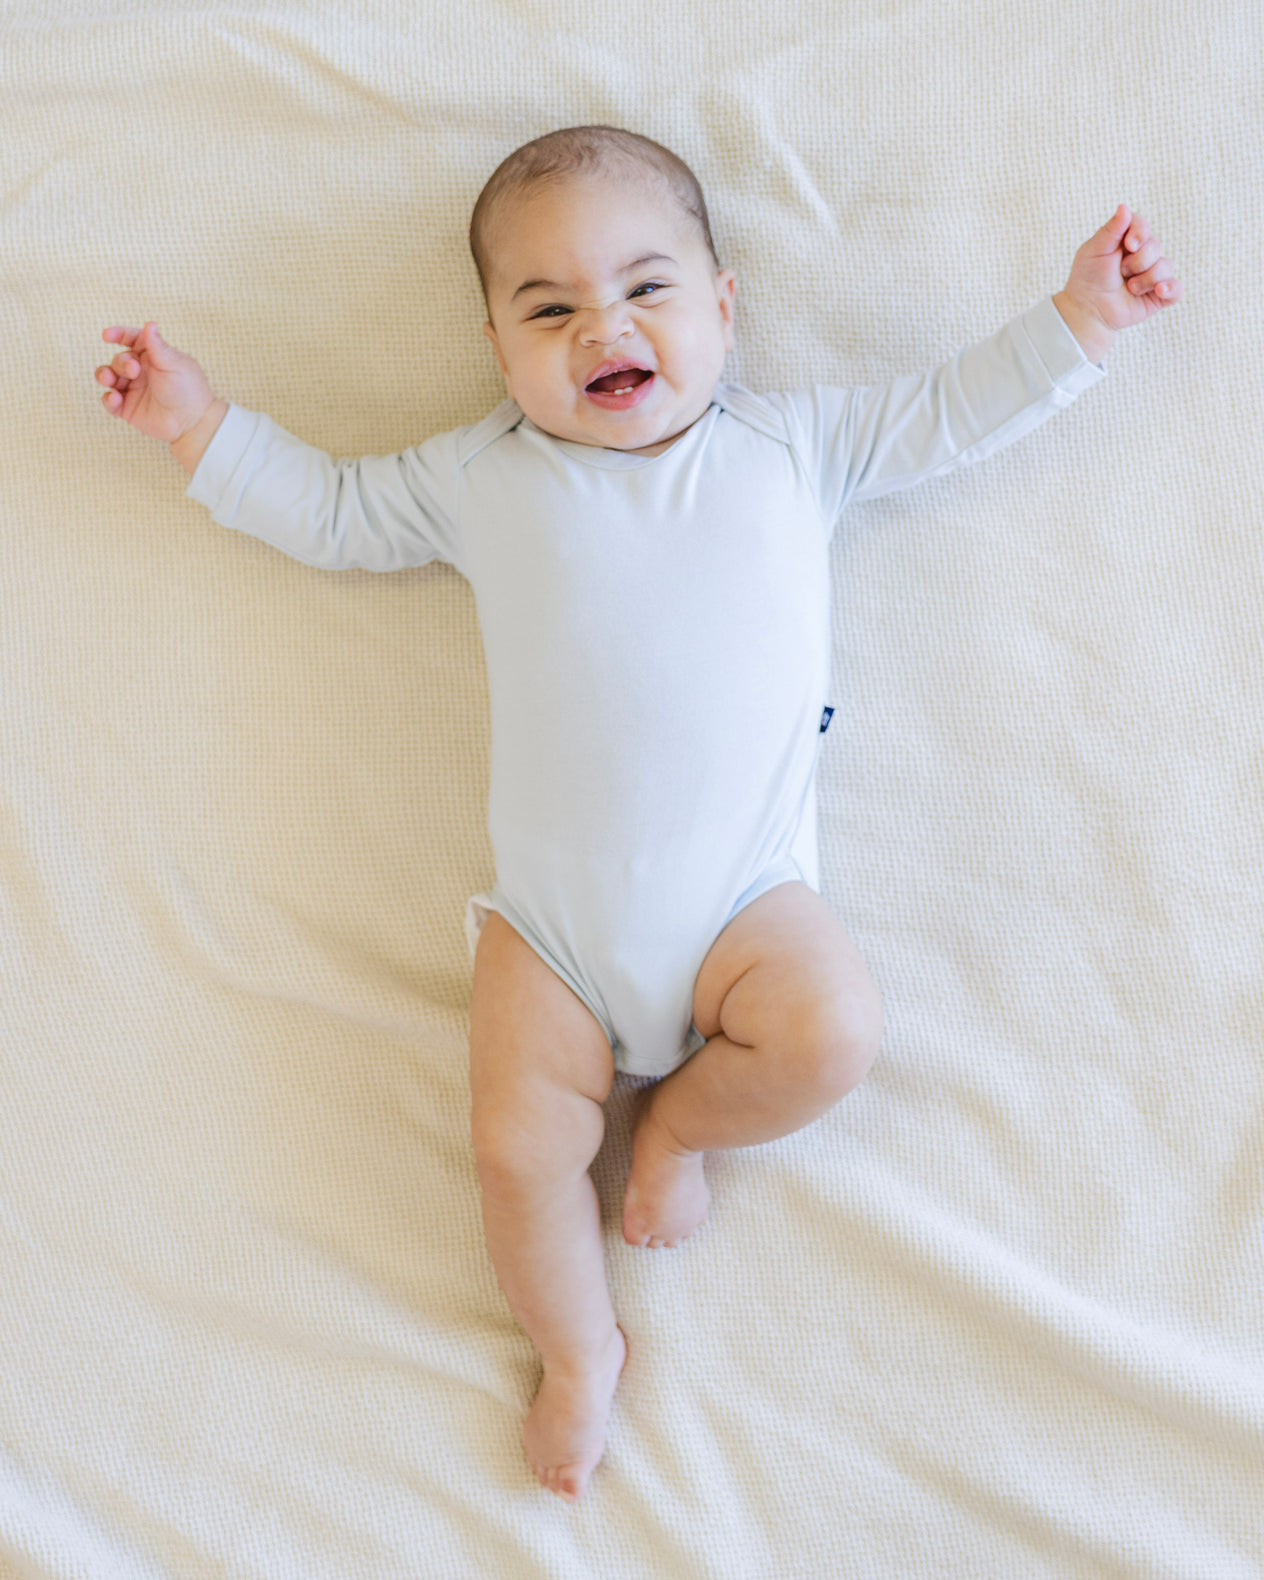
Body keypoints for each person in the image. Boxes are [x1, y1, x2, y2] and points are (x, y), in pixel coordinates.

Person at [95, 124, 1181, 1504]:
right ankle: (576, 1349)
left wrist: (1084, 315)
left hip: (746, 906)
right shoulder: (479, 476)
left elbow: (949, 411)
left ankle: (677, 1129)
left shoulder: (797, 445)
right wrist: (199, 427)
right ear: (500, 350)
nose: (602, 324)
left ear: (726, 310)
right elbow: (337, 509)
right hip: (550, 932)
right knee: (511, 1145)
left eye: (647, 290)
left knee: (833, 1031)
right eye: (548, 309)